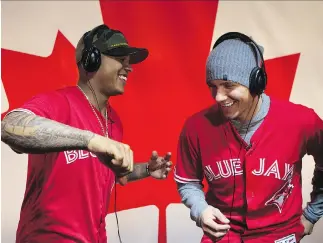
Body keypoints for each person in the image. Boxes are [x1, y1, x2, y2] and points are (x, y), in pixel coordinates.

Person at [1, 24, 172, 243]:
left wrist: (146, 169)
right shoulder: (59, 103)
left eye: (129, 62)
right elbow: (10, 125)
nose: (128, 68)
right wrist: (90, 140)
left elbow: (109, 174)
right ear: (92, 60)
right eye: (120, 59)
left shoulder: (114, 121)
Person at [174, 32, 322, 243]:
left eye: (228, 85)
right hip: (223, 236)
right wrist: (201, 210)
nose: (218, 97)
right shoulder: (195, 127)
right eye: (213, 86)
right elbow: (187, 182)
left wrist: (311, 214)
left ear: (256, 82)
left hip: (280, 235)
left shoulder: (301, 121)